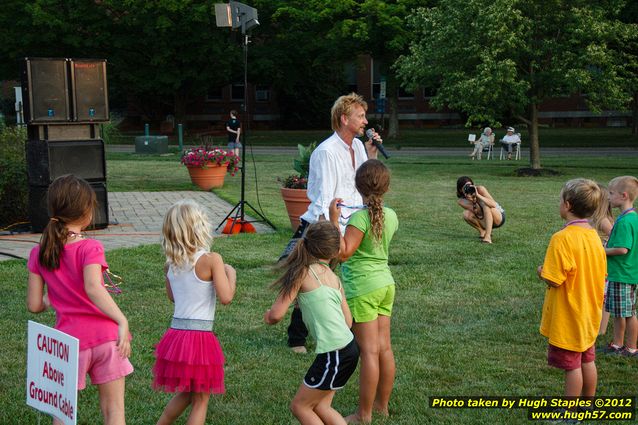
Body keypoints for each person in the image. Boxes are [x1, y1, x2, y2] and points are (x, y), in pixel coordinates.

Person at [280, 93, 382, 354]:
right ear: (344, 118)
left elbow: (362, 183)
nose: (365, 121)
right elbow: (324, 197)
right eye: (360, 116)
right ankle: (296, 338)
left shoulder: (358, 146)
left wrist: (371, 154)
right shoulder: (326, 152)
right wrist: (329, 233)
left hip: (351, 222)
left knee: (337, 279)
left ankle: (344, 328)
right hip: (325, 224)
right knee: (313, 278)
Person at [27, 174, 133, 425]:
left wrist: (51, 300)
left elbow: (34, 305)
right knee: (114, 411)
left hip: (67, 344)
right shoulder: (90, 248)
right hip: (108, 339)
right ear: (87, 212)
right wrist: (122, 320)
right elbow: (94, 288)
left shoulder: (38, 252)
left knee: (62, 414)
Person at [264, 221, 359, 425]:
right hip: (349, 348)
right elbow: (348, 321)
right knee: (321, 406)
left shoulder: (301, 272)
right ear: (334, 252)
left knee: (300, 406)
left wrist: (268, 316)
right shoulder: (334, 278)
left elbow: (276, 314)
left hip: (335, 353)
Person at [153, 200, 237, 425]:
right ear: (200, 227)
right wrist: (231, 273)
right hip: (199, 338)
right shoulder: (211, 260)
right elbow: (227, 297)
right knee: (201, 398)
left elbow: (172, 297)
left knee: (189, 392)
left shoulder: (171, 264)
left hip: (176, 336)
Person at [328, 159, 398, 424]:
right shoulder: (391, 215)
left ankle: (364, 414)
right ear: (386, 187)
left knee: (369, 351)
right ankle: (382, 407)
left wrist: (335, 220)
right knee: (384, 349)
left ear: (358, 187)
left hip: (363, 286)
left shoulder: (359, 217)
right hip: (385, 284)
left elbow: (343, 253)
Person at [536, 178, 606, 401]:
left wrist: (542, 272)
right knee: (588, 360)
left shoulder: (562, 239)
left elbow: (554, 280)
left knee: (572, 367)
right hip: (589, 313)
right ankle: (588, 403)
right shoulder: (594, 236)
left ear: (567, 205)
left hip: (570, 315)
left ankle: (569, 411)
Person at [599, 176, 638, 356]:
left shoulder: (625, 221)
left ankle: (630, 348)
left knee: (627, 313)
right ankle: (617, 344)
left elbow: (622, 249)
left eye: (611, 193)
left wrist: (599, 250)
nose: (608, 196)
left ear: (623, 196)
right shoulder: (631, 218)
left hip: (622, 273)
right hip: (624, 272)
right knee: (619, 312)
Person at [591, 184, 614, 336]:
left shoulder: (603, 220)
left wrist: (602, 248)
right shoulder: (593, 219)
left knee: (604, 298)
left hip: (604, 264)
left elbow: (616, 239)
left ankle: (602, 329)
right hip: (594, 263)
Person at [456, 176, 505, 244]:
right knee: (466, 214)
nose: (469, 188)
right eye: (465, 187)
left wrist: (478, 195)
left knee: (486, 205)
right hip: (484, 218)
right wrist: (473, 201)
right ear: (460, 190)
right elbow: (478, 212)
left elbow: (493, 205)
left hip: (498, 216)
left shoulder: (480, 189)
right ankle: (482, 231)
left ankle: (488, 237)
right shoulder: (461, 201)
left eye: (470, 185)